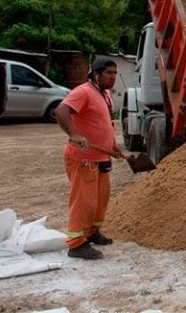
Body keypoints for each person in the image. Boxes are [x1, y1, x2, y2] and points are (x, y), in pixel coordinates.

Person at [56, 58, 123, 260]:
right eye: (109, 73)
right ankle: (76, 244)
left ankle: (92, 232)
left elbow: (104, 121)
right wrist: (75, 135)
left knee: (100, 199)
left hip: (101, 156)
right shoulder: (83, 91)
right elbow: (61, 111)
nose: (113, 77)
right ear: (96, 74)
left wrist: (112, 144)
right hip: (82, 158)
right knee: (83, 201)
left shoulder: (105, 94)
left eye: (115, 73)